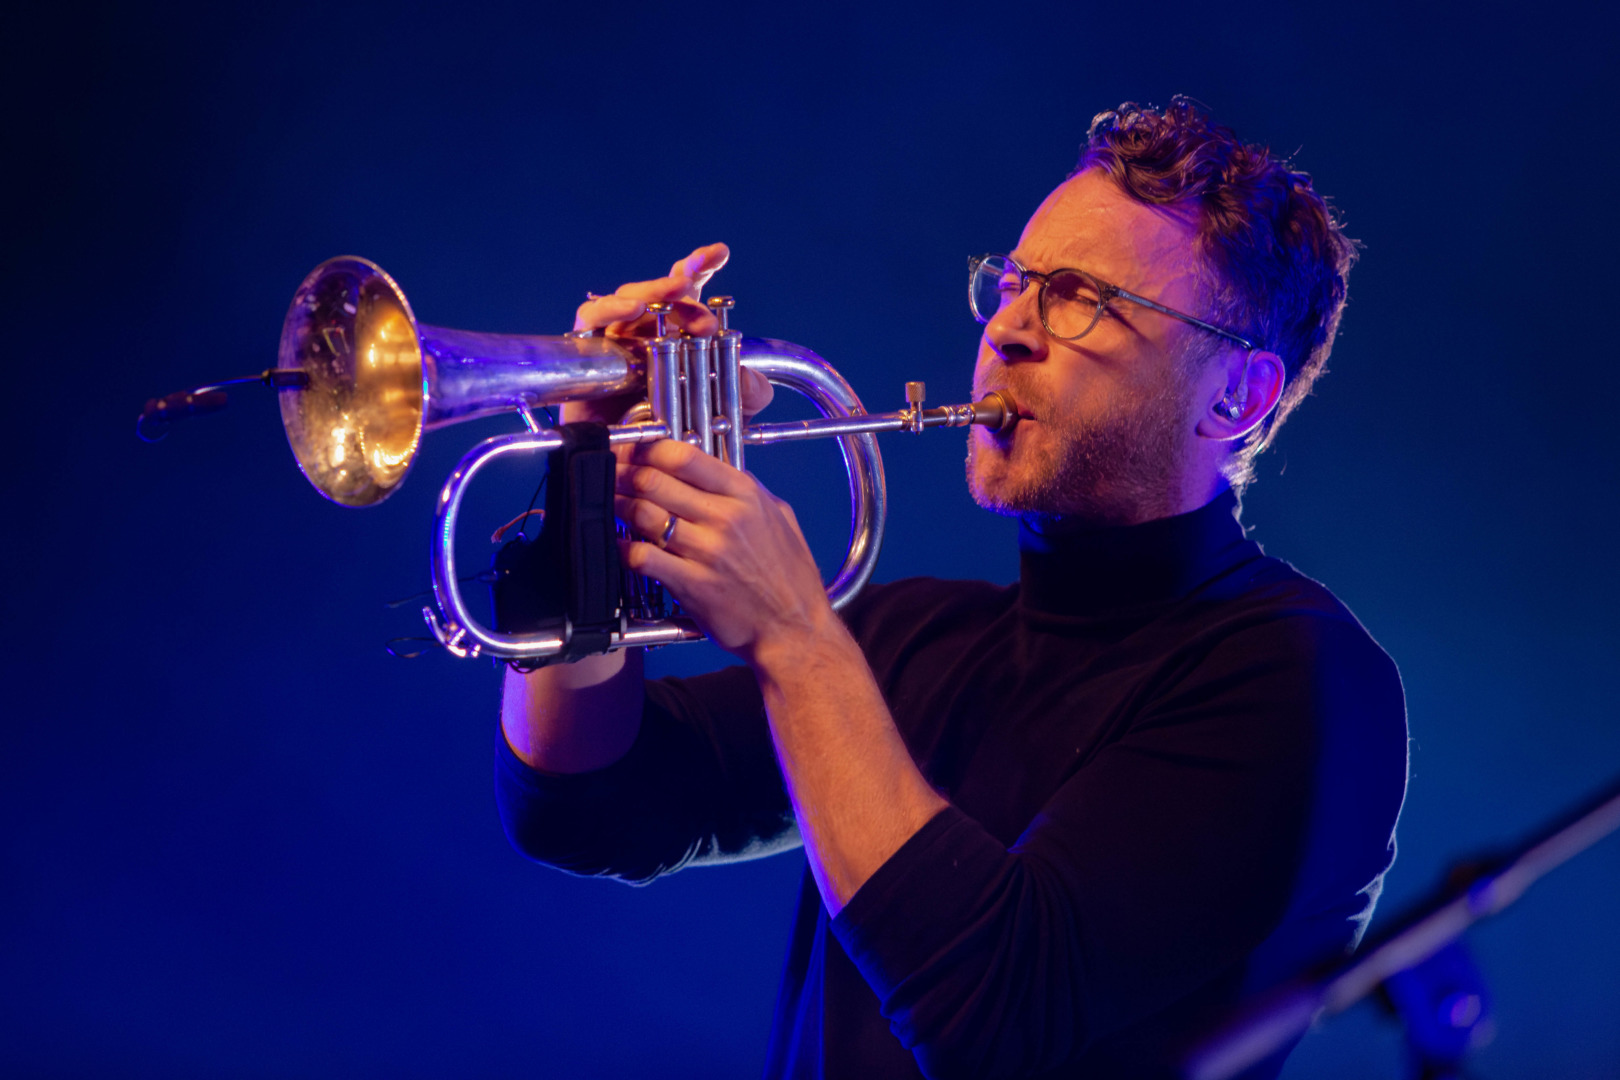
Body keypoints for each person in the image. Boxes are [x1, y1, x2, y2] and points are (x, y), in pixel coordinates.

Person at [494, 97, 1408, 1079]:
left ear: (1238, 394)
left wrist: (797, 640)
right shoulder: (910, 640)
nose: (1009, 329)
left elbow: (993, 1012)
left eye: (1079, 299)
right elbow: (583, 805)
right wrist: (587, 464)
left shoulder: (1300, 679)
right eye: (1013, 285)